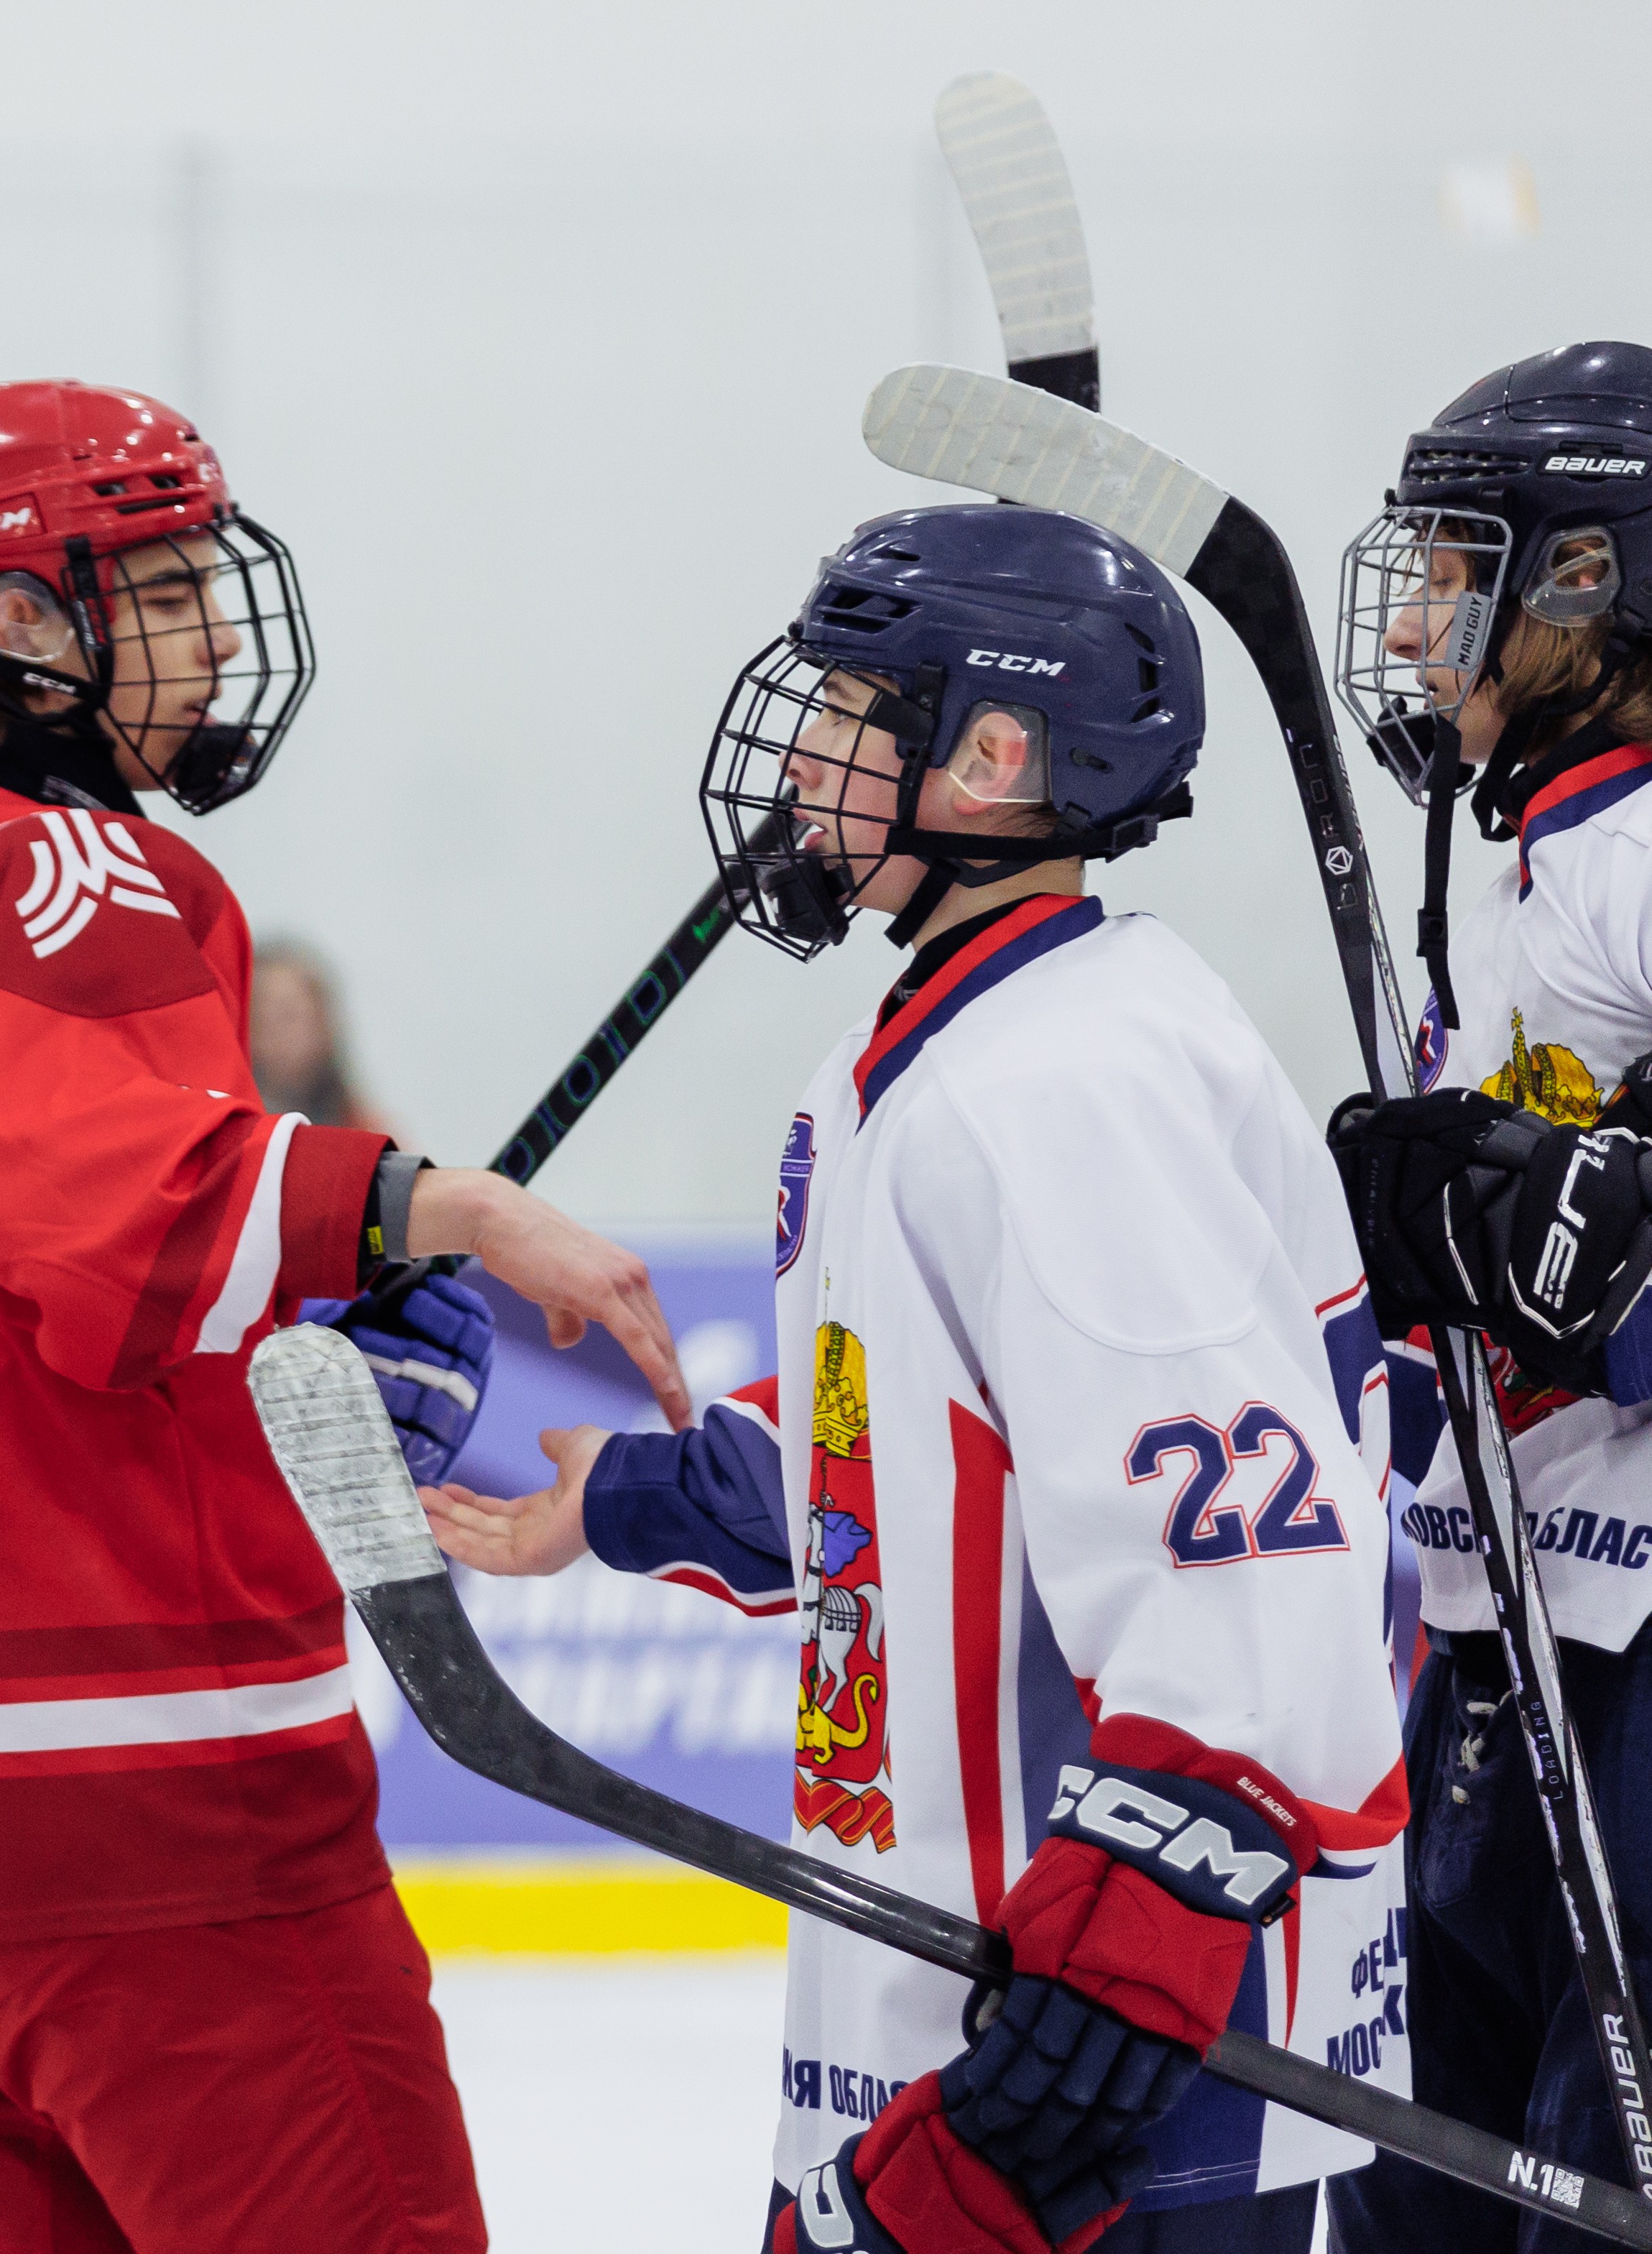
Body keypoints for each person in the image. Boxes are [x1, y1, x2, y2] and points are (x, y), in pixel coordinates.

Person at [0, 378, 692, 2253]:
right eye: (156, 587)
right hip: (142, 1818)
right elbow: (103, 1228)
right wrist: (425, 1202)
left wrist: (266, 1379)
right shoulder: (71, 868)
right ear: (17, 627)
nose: (215, 629)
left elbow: (8, 1319)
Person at [422, 505, 1411, 2254]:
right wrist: (634, 1494)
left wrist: (1048, 2091)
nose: (801, 751)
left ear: (995, 757)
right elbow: (925, 1474)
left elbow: (1245, 1607)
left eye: (847, 709)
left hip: (1099, 2083)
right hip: (956, 2025)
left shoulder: (1067, 1088)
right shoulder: (948, 1049)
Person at [1322, 341, 1652, 2252]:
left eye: (1465, 568)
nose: (1429, 616)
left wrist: (1590, 1265)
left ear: (1591, 586)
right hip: (1501, 1616)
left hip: (1627, 1648)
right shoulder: (1529, 856)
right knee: (1425, 2193)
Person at [251, 937, 394, 1133]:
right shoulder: (232, 1129)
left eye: (287, 1015)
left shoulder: (364, 1129)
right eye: (258, 1018)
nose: (270, 1034)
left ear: (322, 1020)